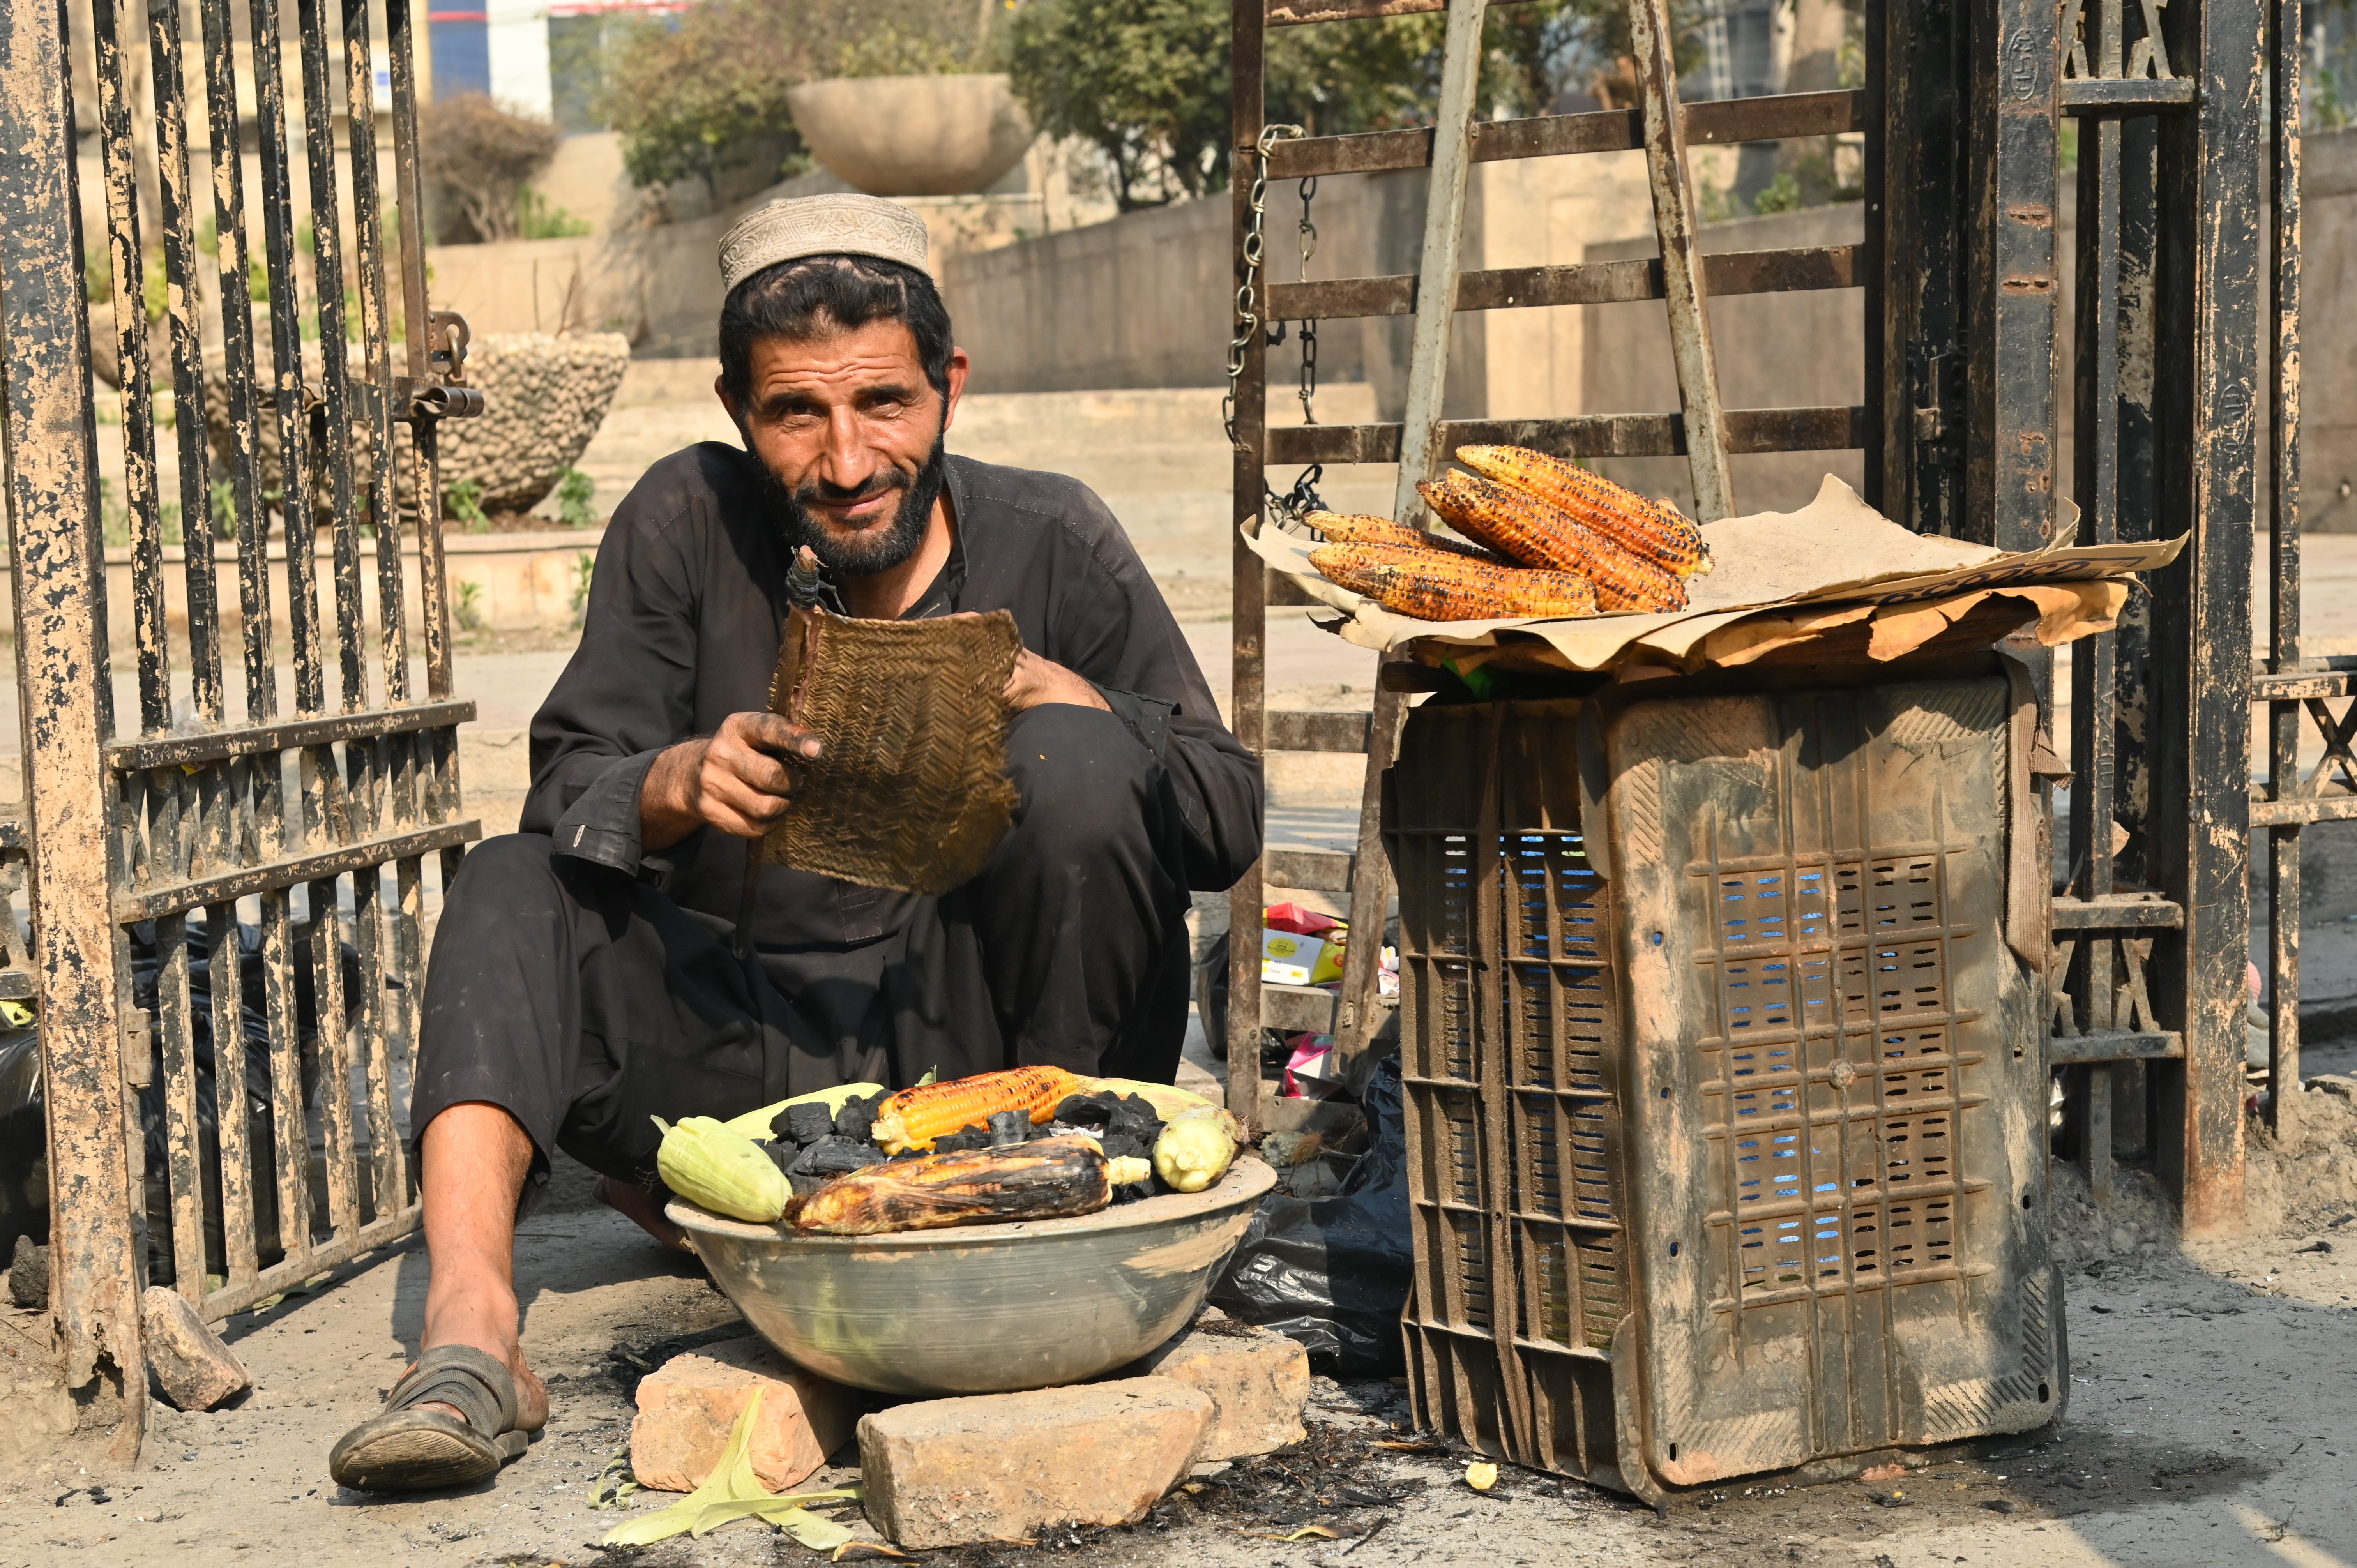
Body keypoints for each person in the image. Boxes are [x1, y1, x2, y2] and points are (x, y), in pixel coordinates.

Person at [328, 194, 1261, 1492]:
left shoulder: (1056, 537)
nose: (846, 460)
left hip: (1000, 1061)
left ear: (951, 387)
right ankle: (473, 1340)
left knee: (1083, 761)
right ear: (736, 410)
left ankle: (1053, 1245)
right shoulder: (683, 521)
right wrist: (672, 781)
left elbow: (1225, 816)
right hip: (750, 1053)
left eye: (885, 402)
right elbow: (567, 784)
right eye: (795, 415)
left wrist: (1083, 704)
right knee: (507, 881)